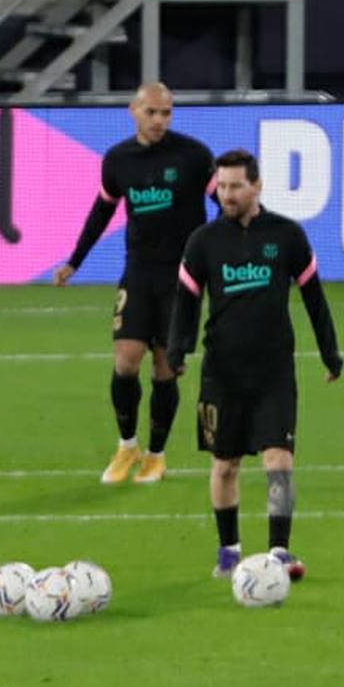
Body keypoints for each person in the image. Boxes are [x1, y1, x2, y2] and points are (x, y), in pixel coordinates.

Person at [165, 149, 342, 582]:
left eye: (235, 186)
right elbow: (186, 303)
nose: (226, 194)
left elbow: (314, 298)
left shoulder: (286, 236)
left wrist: (329, 352)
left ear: (257, 186)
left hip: (274, 372)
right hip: (221, 373)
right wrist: (177, 350)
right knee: (224, 465)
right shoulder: (203, 241)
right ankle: (229, 553)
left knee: (278, 460)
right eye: (222, 186)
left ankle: (279, 550)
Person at [54, 82, 215, 485]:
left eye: (166, 113)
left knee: (165, 369)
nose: (159, 120)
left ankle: (156, 456)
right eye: (152, 112)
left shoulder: (193, 156)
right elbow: (101, 212)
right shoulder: (117, 160)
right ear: (133, 111)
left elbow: (226, 202)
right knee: (126, 361)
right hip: (139, 273)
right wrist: (75, 261)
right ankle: (127, 446)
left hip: (182, 279)